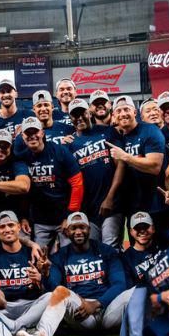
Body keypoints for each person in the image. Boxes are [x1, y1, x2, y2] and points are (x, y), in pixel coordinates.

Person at [0, 211, 65, 336]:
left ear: (19, 227)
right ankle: (21, 329)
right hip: (3, 307)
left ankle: (15, 328)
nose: (7, 229)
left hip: (30, 307)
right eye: (2, 227)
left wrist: (44, 276)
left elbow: (52, 287)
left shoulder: (33, 253)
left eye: (11, 225)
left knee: (53, 295)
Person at [47, 212, 132, 334]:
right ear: (67, 232)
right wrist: (46, 275)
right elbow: (54, 287)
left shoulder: (107, 251)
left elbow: (119, 284)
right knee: (60, 292)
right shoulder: (59, 256)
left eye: (82, 227)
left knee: (138, 291)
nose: (78, 232)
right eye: (73, 228)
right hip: (81, 312)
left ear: (89, 229)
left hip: (107, 309)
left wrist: (97, 304)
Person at [64, 98, 124, 246]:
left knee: (110, 247)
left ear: (89, 113)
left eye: (82, 113)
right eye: (75, 115)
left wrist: (110, 197)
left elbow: (121, 165)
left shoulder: (107, 131)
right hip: (87, 209)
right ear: (70, 118)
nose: (79, 118)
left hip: (112, 204)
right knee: (92, 249)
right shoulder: (69, 144)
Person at [17, 116, 84, 249]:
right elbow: (23, 192)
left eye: (35, 132)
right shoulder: (22, 157)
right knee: (39, 256)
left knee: (67, 255)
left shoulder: (60, 151)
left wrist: (69, 216)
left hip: (63, 217)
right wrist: (23, 216)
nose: (32, 136)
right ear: (22, 136)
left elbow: (77, 184)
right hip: (39, 221)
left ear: (42, 133)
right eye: (28, 133)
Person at [107, 96, 166, 238]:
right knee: (137, 247)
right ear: (114, 116)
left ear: (135, 112)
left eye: (126, 109)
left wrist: (125, 156)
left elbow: (155, 166)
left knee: (162, 245)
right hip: (132, 206)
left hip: (156, 204)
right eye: (119, 111)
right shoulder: (120, 137)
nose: (123, 114)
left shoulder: (150, 130)